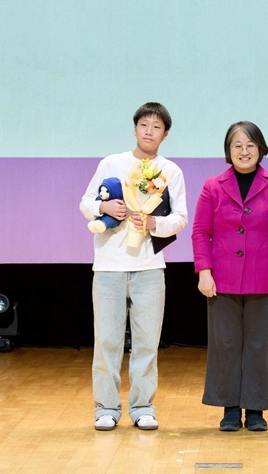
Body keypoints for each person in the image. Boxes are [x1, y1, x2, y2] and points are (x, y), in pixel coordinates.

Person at [79, 102, 188, 432]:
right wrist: (104, 206)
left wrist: (154, 222)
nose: (149, 132)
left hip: (150, 267)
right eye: (144, 125)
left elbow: (180, 218)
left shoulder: (170, 171)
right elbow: (85, 203)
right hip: (109, 267)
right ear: (135, 129)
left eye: (156, 127)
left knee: (146, 343)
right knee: (107, 342)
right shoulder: (111, 163)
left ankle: (143, 407)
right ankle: (106, 408)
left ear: (165, 135)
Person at [191, 121, 268, 432]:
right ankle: (230, 409)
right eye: (237, 145)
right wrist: (204, 271)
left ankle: (256, 410)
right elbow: (200, 232)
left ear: (261, 149)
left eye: (250, 145)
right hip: (221, 279)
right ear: (229, 150)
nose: (244, 151)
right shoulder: (213, 185)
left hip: (263, 278)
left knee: (258, 344)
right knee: (224, 344)